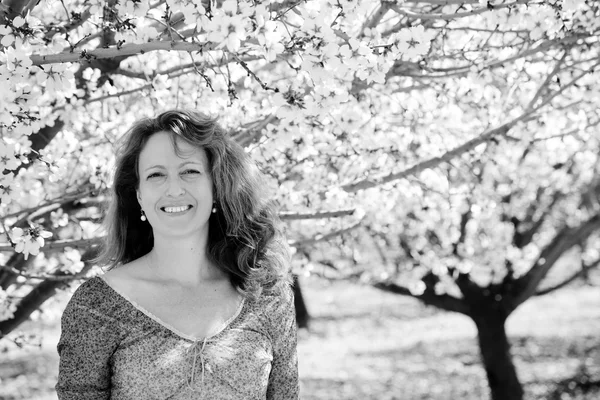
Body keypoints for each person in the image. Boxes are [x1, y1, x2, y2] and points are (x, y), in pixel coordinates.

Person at [55, 110, 299, 399]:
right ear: (139, 195)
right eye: (156, 174)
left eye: (190, 171)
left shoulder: (268, 295)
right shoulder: (97, 306)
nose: (174, 189)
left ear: (217, 186)